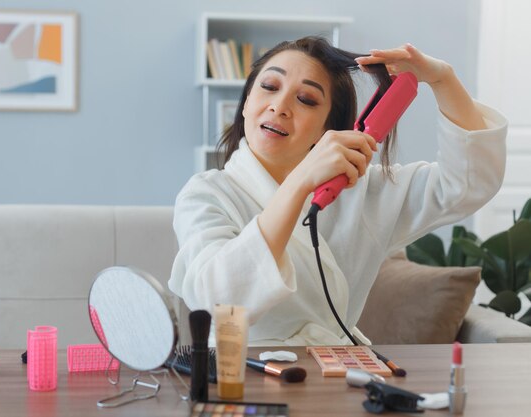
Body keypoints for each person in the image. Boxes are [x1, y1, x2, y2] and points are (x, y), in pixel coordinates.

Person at [168, 36, 507, 346]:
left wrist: (442, 78)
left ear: (327, 129)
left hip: (337, 378)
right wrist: (301, 183)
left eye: (306, 99)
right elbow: (217, 300)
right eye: (269, 86)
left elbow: (467, 184)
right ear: (245, 104)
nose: (280, 106)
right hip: (239, 381)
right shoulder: (205, 195)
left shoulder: (359, 191)